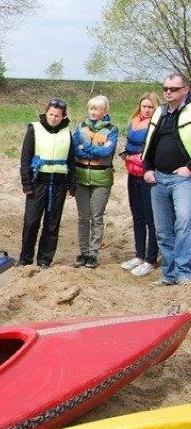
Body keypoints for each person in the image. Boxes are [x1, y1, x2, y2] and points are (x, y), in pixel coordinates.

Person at [142, 72, 191, 287]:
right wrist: (147, 168)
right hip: (158, 178)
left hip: (182, 180)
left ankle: (183, 272)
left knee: (184, 222)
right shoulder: (159, 113)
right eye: (165, 89)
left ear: (185, 90)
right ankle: (169, 274)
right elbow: (149, 143)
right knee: (162, 230)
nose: (168, 92)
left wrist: (189, 168)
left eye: (173, 89)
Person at [18, 98, 76, 268]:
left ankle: (44, 260)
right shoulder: (34, 129)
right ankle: (25, 259)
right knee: (31, 222)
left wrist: (72, 183)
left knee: (52, 224)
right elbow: (25, 158)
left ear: (63, 116)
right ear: (46, 113)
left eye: (57, 115)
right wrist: (26, 182)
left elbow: (71, 160)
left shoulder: (67, 132)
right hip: (38, 183)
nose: (53, 118)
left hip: (58, 185)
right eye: (51, 114)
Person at [71, 95, 119, 269]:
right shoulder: (79, 127)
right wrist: (93, 150)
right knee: (83, 217)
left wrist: (87, 149)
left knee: (96, 217)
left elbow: (107, 152)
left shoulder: (112, 129)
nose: (93, 112)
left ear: (105, 111)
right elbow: (75, 149)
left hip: (102, 178)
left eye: (97, 109)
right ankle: (83, 252)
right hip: (81, 177)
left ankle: (93, 254)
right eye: (91, 108)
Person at [119, 92, 161, 277]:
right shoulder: (134, 121)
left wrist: (135, 156)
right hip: (132, 174)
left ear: (155, 108)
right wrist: (126, 155)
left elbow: (151, 151)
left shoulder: (157, 125)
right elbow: (130, 146)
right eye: (144, 106)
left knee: (150, 217)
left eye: (150, 107)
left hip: (148, 176)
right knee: (137, 216)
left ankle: (151, 259)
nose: (146, 109)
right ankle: (139, 255)